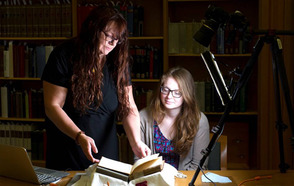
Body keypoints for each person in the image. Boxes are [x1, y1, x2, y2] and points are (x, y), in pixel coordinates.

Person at [41, 4, 150, 170]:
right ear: (93, 29)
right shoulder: (63, 55)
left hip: (106, 156)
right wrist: (79, 136)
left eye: (118, 39)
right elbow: (53, 106)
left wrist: (136, 142)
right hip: (68, 152)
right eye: (109, 36)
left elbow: (129, 106)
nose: (113, 43)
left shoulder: (117, 61)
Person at [137, 66, 210, 170]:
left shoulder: (199, 121)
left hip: (184, 181)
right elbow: (139, 162)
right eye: (165, 90)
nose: (169, 96)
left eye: (177, 92)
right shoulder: (143, 117)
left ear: (186, 94)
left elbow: (198, 166)